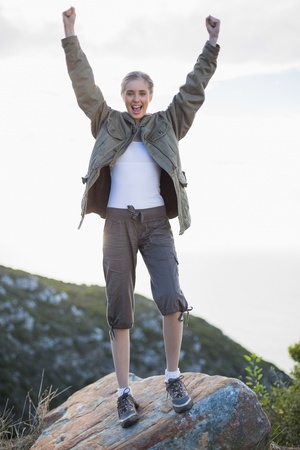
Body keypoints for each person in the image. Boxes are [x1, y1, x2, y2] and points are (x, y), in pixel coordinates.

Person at [62, 6, 220, 428]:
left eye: (141, 93)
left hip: (155, 224)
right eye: (129, 93)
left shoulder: (167, 123)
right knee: (120, 308)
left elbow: (193, 89)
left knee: (171, 297)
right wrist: (70, 34)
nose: (135, 99)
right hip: (116, 224)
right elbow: (83, 85)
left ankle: (173, 377)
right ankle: (124, 394)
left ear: (150, 97)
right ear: (122, 96)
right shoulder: (106, 122)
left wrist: (211, 45)